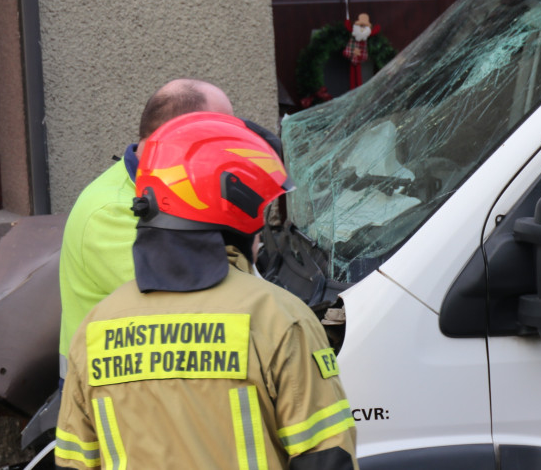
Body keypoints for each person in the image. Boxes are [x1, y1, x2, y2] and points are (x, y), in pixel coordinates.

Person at [55, 112, 358, 470]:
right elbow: (327, 458)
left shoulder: (94, 329)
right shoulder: (279, 319)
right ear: (237, 211)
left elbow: (73, 463)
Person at [57, 79, 234, 382]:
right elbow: (187, 308)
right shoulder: (110, 211)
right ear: (183, 138)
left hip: (146, 383)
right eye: (221, 136)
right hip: (105, 395)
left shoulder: (175, 185)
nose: (231, 149)